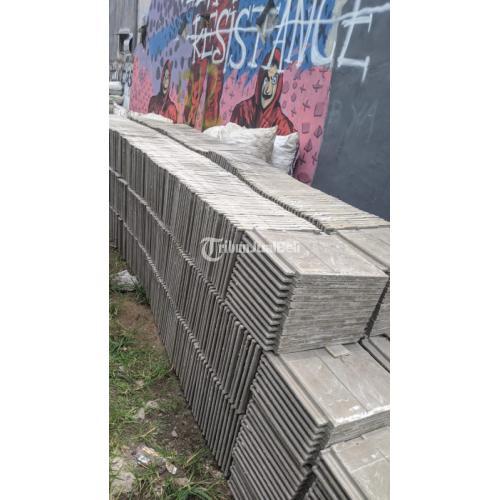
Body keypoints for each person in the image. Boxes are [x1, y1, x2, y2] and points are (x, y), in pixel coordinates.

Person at [230, 48, 296, 135]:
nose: (268, 88)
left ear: (278, 85)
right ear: (261, 79)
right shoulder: (242, 110)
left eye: (273, 81)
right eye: (266, 79)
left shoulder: (282, 124)